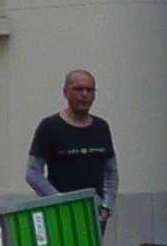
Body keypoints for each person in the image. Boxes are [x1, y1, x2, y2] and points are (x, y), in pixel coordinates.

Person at [25, 69, 119, 224]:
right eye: (78, 89)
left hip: (94, 213)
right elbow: (33, 173)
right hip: (59, 214)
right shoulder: (50, 126)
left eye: (89, 90)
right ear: (66, 92)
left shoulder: (101, 127)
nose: (84, 94)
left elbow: (111, 172)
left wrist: (107, 206)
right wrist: (61, 202)